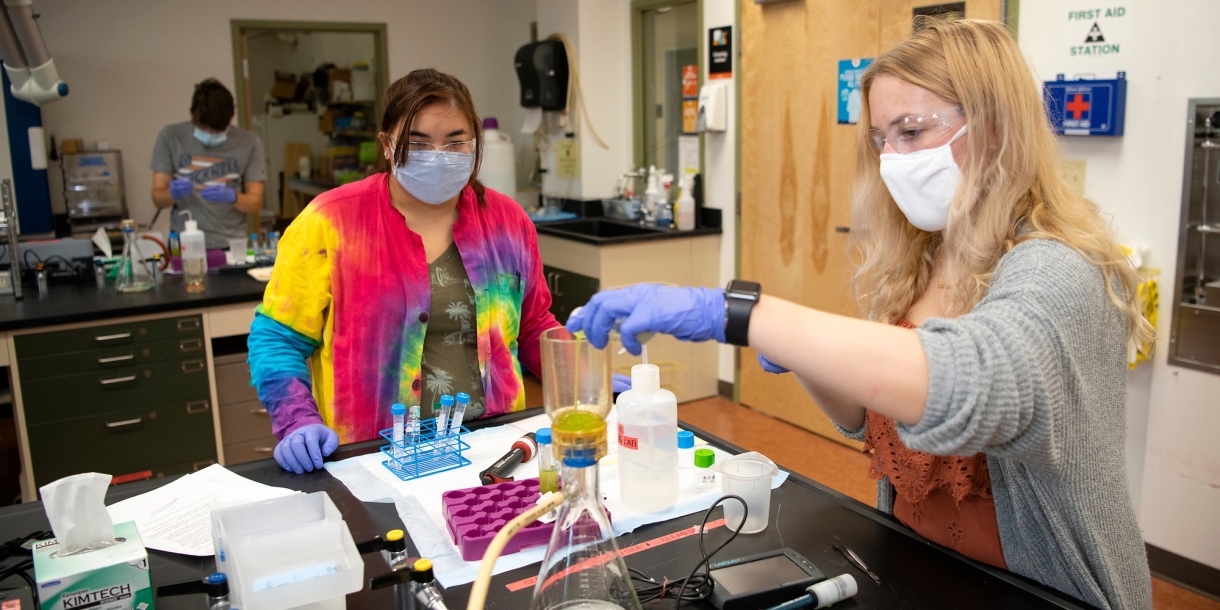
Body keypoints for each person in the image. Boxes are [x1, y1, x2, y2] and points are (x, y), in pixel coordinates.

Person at [567, 19, 1153, 610]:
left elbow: (967, 384)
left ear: (996, 127)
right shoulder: (925, 258)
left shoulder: (1059, 270)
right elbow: (864, 418)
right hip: (918, 567)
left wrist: (740, 313)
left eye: (912, 131)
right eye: (880, 139)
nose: (893, 160)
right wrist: (802, 355)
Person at [247, 69, 564, 475]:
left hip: (495, 449)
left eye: (454, 142)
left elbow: (535, 323)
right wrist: (296, 420)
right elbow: (277, 339)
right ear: (386, 144)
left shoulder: (507, 221)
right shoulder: (330, 221)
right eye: (417, 143)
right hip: (374, 457)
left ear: (474, 143)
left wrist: (584, 377)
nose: (437, 155)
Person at [151, 78, 266, 249]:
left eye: (217, 130)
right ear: (193, 117)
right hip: (184, 243)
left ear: (231, 117)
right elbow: (158, 199)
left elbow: (255, 205)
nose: (210, 134)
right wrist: (171, 193)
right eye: (204, 128)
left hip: (230, 243)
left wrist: (233, 197)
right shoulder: (171, 137)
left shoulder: (249, 143)